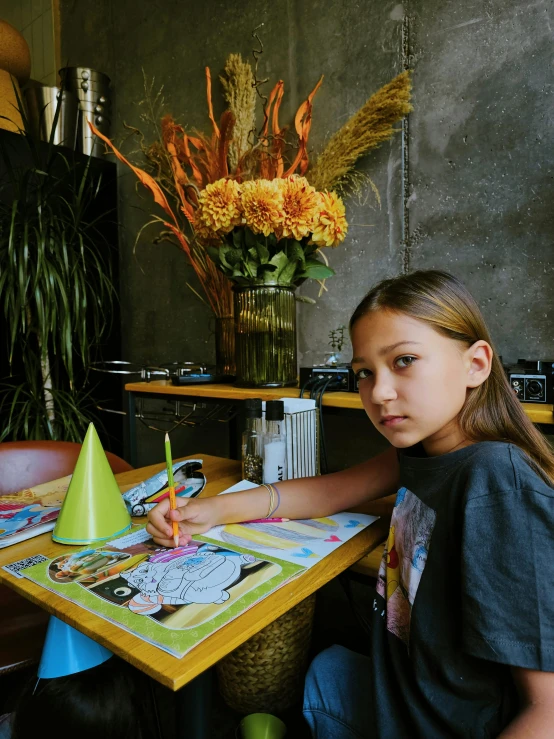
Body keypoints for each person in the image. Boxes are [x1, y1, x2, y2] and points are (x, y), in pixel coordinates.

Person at [147, 270, 554, 738]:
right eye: (364, 373)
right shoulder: (423, 451)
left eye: (404, 360)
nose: (378, 393)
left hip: (439, 724)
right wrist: (212, 511)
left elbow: (547, 710)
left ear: (476, 364)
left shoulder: (498, 483)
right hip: (404, 692)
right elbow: (332, 490)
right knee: (322, 671)